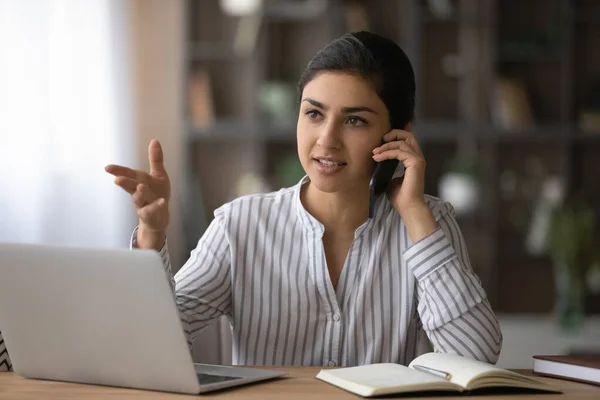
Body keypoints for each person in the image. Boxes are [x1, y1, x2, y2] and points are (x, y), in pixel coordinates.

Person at [104, 31, 502, 367]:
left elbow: (476, 358)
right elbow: (148, 349)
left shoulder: (427, 221)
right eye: (314, 114)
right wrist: (152, 237)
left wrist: (414, 213)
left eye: (355, 120)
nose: (326, 140)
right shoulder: (240, 225)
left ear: (398, 135)